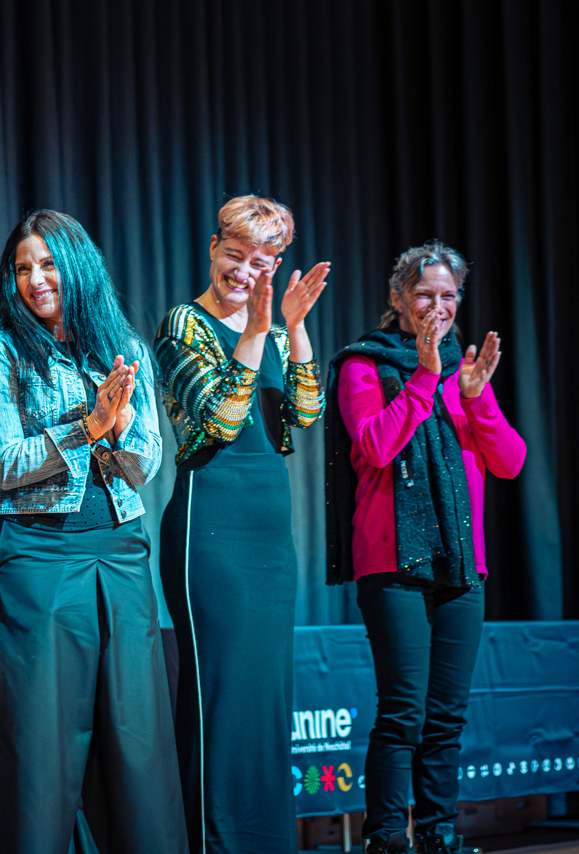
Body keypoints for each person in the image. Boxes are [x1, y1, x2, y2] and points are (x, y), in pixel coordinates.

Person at [0, 209, 187, 854]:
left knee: (137, 734)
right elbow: (6, 463)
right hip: (37, 553)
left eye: (48, 264)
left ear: (77, 267)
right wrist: (83, 429)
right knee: (41, 742)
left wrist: (117, 429)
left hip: (120, 552)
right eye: (22, 268)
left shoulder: (122, 348)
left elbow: (145, 464)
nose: (36, 280)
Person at [325, 242, 526, 854]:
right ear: (397, 299)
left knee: (446, 718)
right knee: (403, 712)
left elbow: (510, 462)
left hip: (462, 566)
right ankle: (387, 837)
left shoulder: (465, 374)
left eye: (448, 295)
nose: (437, 306)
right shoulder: (366, 366)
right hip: (392, 562)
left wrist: (475, 397)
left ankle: (439, 836)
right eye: (423, 294)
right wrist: (425, 377)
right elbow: (377, 447)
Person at [153, 195, 330, 853]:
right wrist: (256, 331)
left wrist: (295, 327)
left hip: (269, 538)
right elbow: (218, 425)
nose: (243, 273)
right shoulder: (184, 324)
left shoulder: (277, 327)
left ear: (276, 264)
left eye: (260, 263)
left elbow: (302, 422)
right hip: (212, 531)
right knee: (222, 700)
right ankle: (216, 842)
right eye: (234, 257)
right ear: (211, 248)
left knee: (265, 702)